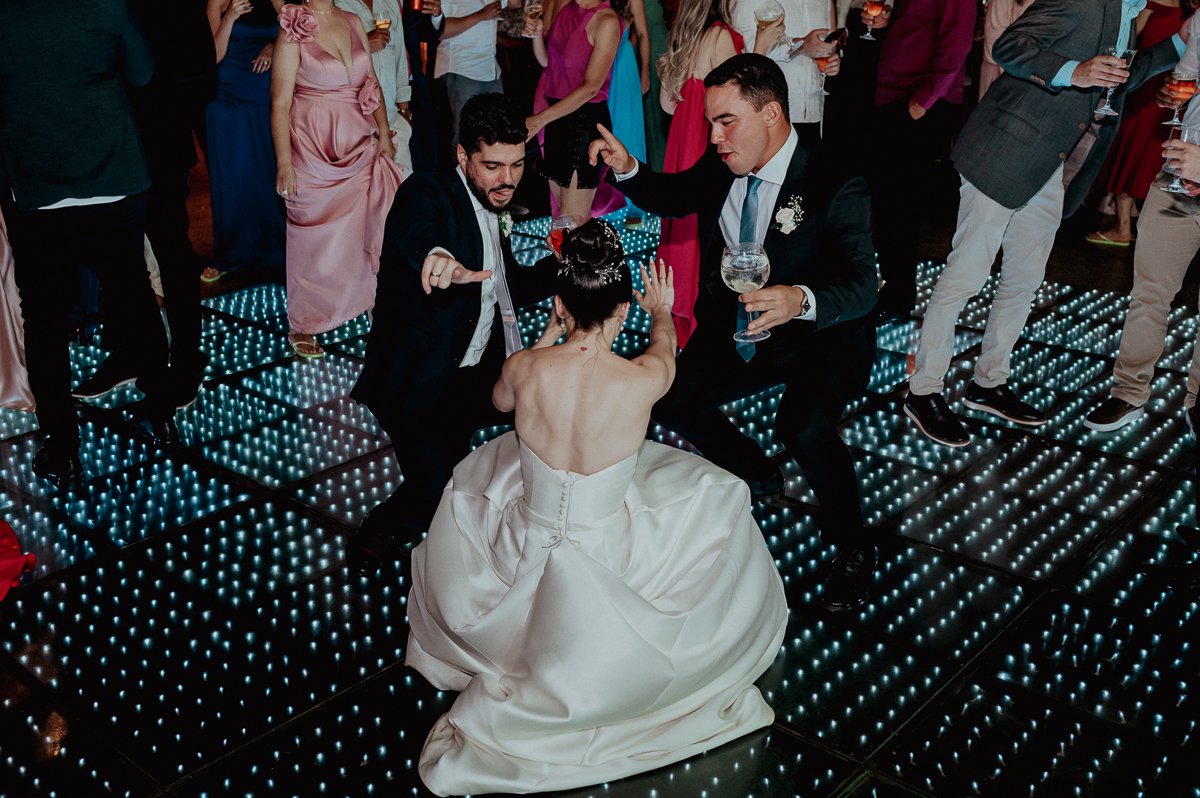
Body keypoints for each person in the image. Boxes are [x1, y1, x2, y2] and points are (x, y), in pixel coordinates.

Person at [407, 226, 787, 796]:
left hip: (527, 545)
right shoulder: (640, 381)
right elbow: (666, 355)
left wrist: (547, 335)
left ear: (561, 304)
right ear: (623, 306)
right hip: (608, 550)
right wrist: (661, 313)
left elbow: (499, 401)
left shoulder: (525, 371)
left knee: (483, 475)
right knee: (717, 497)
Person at [593, 54, 880, 611]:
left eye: (727, 121)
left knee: (804, 429)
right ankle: (754, 468)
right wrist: (628, 167)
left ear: (772, 113)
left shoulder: (837, 178)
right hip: (744, 324)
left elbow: (862, 285)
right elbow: (676, 196)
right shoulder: (726, 160)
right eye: (711, 123)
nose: (715, 136)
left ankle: (854, 547)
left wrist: (799, 300)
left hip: (822, 332)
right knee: (668, 398)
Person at [901, 0, 1186, 449]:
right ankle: (923, 391)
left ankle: (987, 382)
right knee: (966, 274)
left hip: (1051, 164)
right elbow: (1011, 46)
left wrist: (1181, 41)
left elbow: (1126, 72)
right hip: (1003, 150)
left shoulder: (1129, 15)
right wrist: (1075, 71)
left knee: (1025, 279)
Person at [346, 94, 558, 576]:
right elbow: (423, 231)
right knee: (437, 485)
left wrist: (561, 268)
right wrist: (437, 258)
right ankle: (380, 529)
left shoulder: (491, 201)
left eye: (517, 164)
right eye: (493, 166)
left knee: (463, 470)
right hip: (417, 379)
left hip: (471, 374)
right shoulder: (426, 192)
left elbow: (509, 285)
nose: (508, 179)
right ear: (462, 157)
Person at [0, 0, 175, 484]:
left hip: (36, 182)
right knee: (135, 294)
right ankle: (161, 414)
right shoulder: (108, 4)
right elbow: (142, 74)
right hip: (114, 174)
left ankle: (64, 449)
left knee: (44, 319)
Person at [1085, 10, 1200, 434]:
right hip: (1177, 175)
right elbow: (1188, 76)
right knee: (1149, 291)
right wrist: (1176, 97)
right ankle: (1128, 392)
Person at [271, 1, 405, 358]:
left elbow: (369, 81)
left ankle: (375, 300)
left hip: (359, 140)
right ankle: (304, 322)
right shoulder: (292, 30)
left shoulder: (351, 21)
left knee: (372, 222)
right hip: (312, 147)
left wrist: (385, 135)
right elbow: (280, 103)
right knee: (313, 237)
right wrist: (285, 163)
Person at [103, 0, 218, 409]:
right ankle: (128, 352)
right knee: (114, 256)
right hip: (105, 139)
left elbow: (203, 71)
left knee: (170, 250)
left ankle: (187, 359)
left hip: (158, 139)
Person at [655, 0, 774, 346]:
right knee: (709, 231)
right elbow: (736, 99)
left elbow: (667, 103)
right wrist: (762, 46)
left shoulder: (685, 38)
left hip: (683, 145)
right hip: (708, 145)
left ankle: (677, 323)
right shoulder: (720, 35)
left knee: (686, 226)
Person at [870, 0, 977, 324]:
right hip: (893, 92)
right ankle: (891, 290)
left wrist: (924, 99)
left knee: (899, 205)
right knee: (888, 201)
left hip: (916, 99)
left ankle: (898, 298)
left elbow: (957, 41)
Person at [1088, 0, 1196, 247]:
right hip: (1165, 86)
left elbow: (1129, 40)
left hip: (1145, 86)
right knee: (1152, 156)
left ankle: (1123, 226)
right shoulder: (1189, 10)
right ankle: (1141, 225)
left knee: (1128, 152)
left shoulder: (1151, 4)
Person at [203, 0, 289, 283]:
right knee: (231, 180)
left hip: (266, 98)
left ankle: (279, 251)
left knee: (266, 175)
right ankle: (229, 255)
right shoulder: (219, 1)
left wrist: (275, 46)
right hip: (225, 100)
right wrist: (229, 16)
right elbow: (211, 56)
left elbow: (297, 31)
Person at [527, 0, 624, 220]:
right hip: (556, 118)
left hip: (584, 123)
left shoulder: (607, 20)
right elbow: (547, 62)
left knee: (574, 221)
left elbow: (591, 89)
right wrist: (535, 35)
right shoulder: (566, 11)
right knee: (560, 217)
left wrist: (539, 119)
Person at [731, 0, 839, 145]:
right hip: (770, 110)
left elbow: (827, 42)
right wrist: (801, 46)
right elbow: (744, 44)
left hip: (814, 111)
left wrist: (832, 60)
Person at [336, 0, 416, 173]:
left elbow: (400, 57)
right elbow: (324, 59)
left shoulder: (390, 3)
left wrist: (404, 112)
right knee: (369, 191)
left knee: (405, 186)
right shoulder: (336, 4)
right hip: (356, 119)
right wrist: (363, 44)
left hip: (393, 117)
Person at [436, 0, 521, 149]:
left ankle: (490, 170)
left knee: (497, 130)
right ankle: (460, 172)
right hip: (462, 67)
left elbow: (516, 3)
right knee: (465, 133)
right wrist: (481, 15)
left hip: (490, 69)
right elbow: (440, 31)